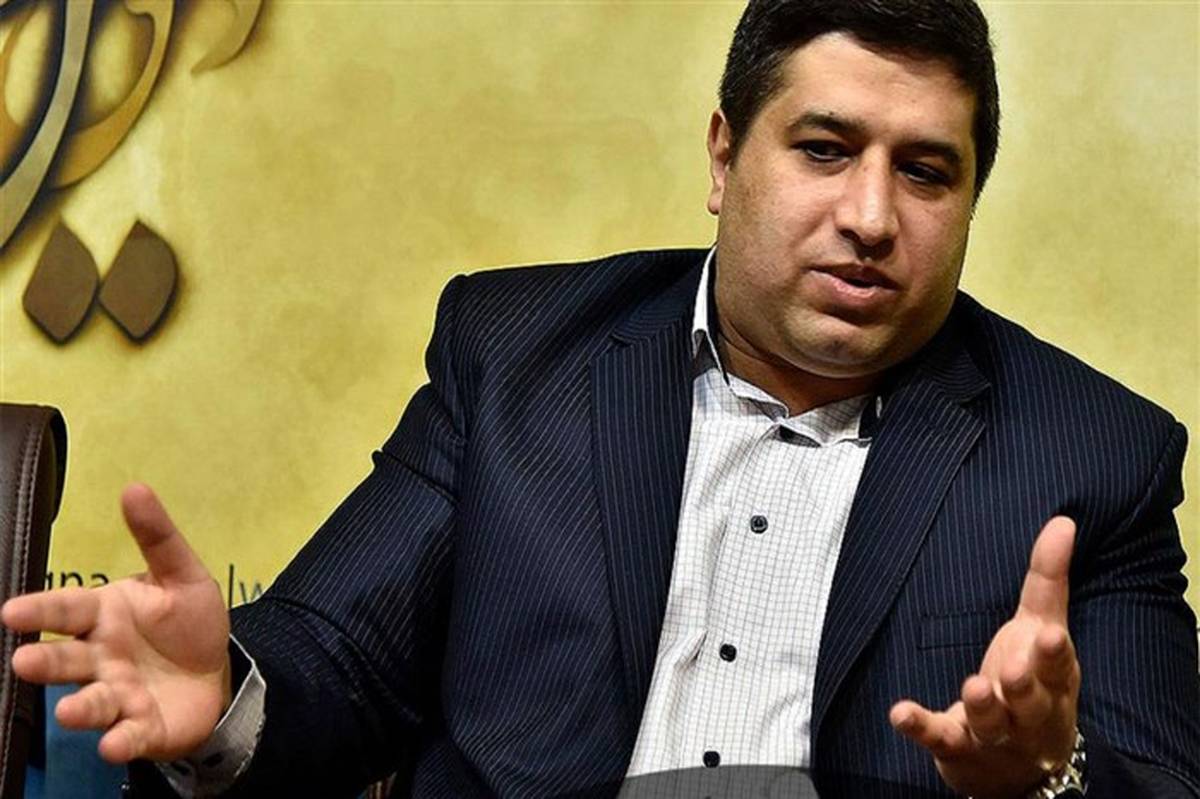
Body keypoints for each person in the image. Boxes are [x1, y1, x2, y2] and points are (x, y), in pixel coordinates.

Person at [4, 1, 1198, 797]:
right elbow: (342, 659)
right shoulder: (517, 356)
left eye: (927, 171)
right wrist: (227, 693)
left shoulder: (1094, 455)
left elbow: (1153, 777)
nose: (873, 216)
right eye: (825, 149)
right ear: (724, 158)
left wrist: (1049, 779)